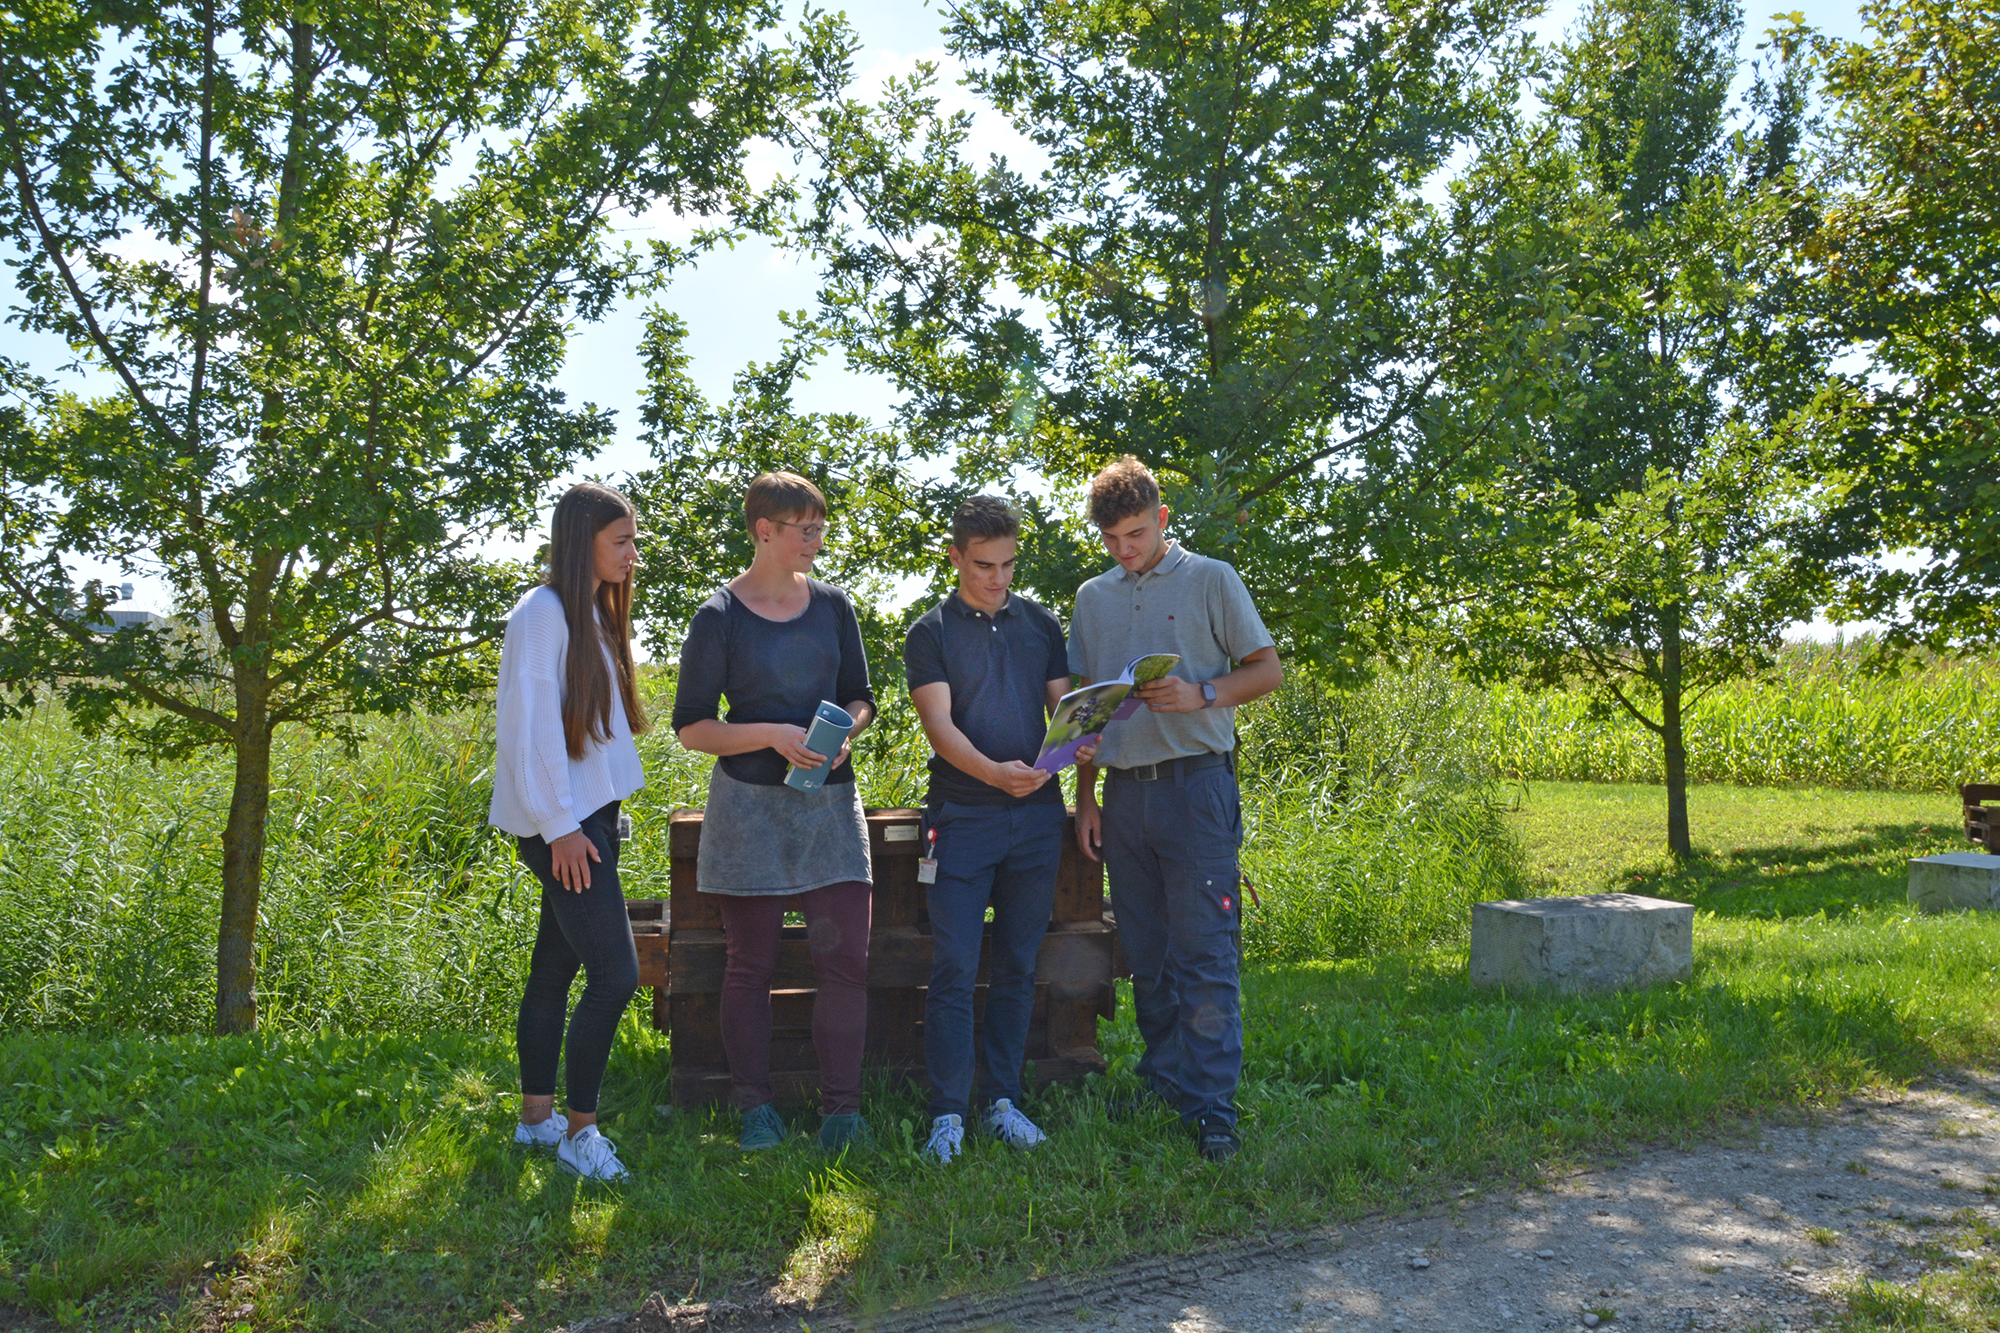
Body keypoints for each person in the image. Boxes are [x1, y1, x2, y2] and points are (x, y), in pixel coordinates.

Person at [1069, 456, 1282, 1162]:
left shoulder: (1212, 578)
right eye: (1112, 539)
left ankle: (1213, 1106)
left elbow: (1267, 669)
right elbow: (1085, 714)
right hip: (1124, 796)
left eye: (1135, 533)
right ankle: (1162, 1079)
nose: (1124, 550)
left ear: (1162, 519)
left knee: (1205, 952)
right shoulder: (1092, 598)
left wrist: (1203, 694)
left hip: (1197, 789)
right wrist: (1088, 798)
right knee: (1149, 956)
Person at [673, 471, 878, 1155]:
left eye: (820, 527)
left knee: (846, 960)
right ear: (764, 531)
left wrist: (846, 732)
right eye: (805, 529)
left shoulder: (835, 606)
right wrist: (768, 732)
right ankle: (755, 1107)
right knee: (749, 964)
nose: (817, 539)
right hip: (748, 809)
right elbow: (693, 729)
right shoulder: (718, 616)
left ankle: (842, 1114)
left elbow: (860, 695)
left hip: (829, 806)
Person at [904, 496, 1074, 1164]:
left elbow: (1063, 710)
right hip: (960, 818)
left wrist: (1075, 744)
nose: (998, 578)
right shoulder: (930, 632)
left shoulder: (1042, 623)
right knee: (953, 965)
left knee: (1020, 962)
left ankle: (1003, 1100)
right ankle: (947, 1112)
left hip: (1037, 816)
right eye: (983, 565)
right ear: (955, 556)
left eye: (1007, 564)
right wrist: (994, 776)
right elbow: (940, 730)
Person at [489, 482, 649, 1183]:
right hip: (563, 825)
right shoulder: (543, 613)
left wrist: (606, 809)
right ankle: (580, 1133)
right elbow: (530, 737)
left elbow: (590, 735)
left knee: (556, 965)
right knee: (618, 973)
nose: (633, 554)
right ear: (582, 540)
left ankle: (536, 1118)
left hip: (587, 817)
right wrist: (561, 827)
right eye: (622, 541)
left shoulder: (587, 613)